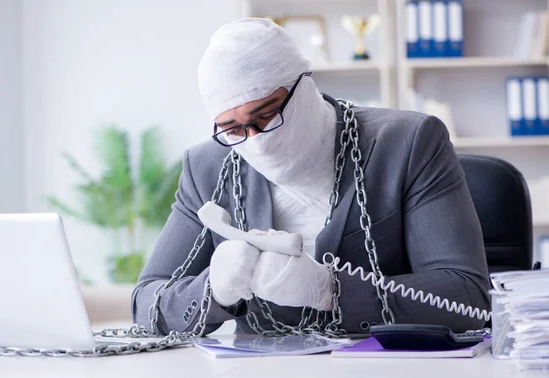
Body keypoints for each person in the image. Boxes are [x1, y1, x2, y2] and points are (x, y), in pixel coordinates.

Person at [131, 18, 490, 336]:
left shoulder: (408, 143)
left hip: (384, 375)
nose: (255, 139)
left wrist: (330, 290)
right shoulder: (207, 166)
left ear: (303, 87)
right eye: (232, 128)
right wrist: (214, 289)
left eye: (266, 115)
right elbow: (146, 300)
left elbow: (469, 296)